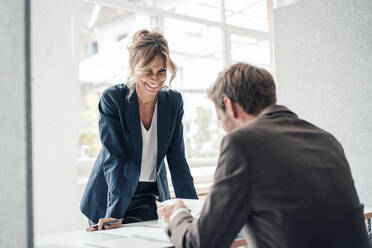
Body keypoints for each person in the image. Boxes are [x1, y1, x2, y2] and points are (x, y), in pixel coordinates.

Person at [158, 63, 371, 248]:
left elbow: (201, 243)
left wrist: (178, 213)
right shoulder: (327, 139)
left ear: (229, 105)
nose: (225, 129)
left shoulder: (241, 143)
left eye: (220, 120)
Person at [80, 29, 198, 231]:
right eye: (148, 71)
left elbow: (177, 159)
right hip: (109, 194)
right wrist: (114, 214)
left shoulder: (173, 102)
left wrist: (194, 212)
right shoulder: (113, 99)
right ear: (135, 68)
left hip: (146, 195)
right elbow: (114, 158)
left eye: (161, 71)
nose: (155, 79)